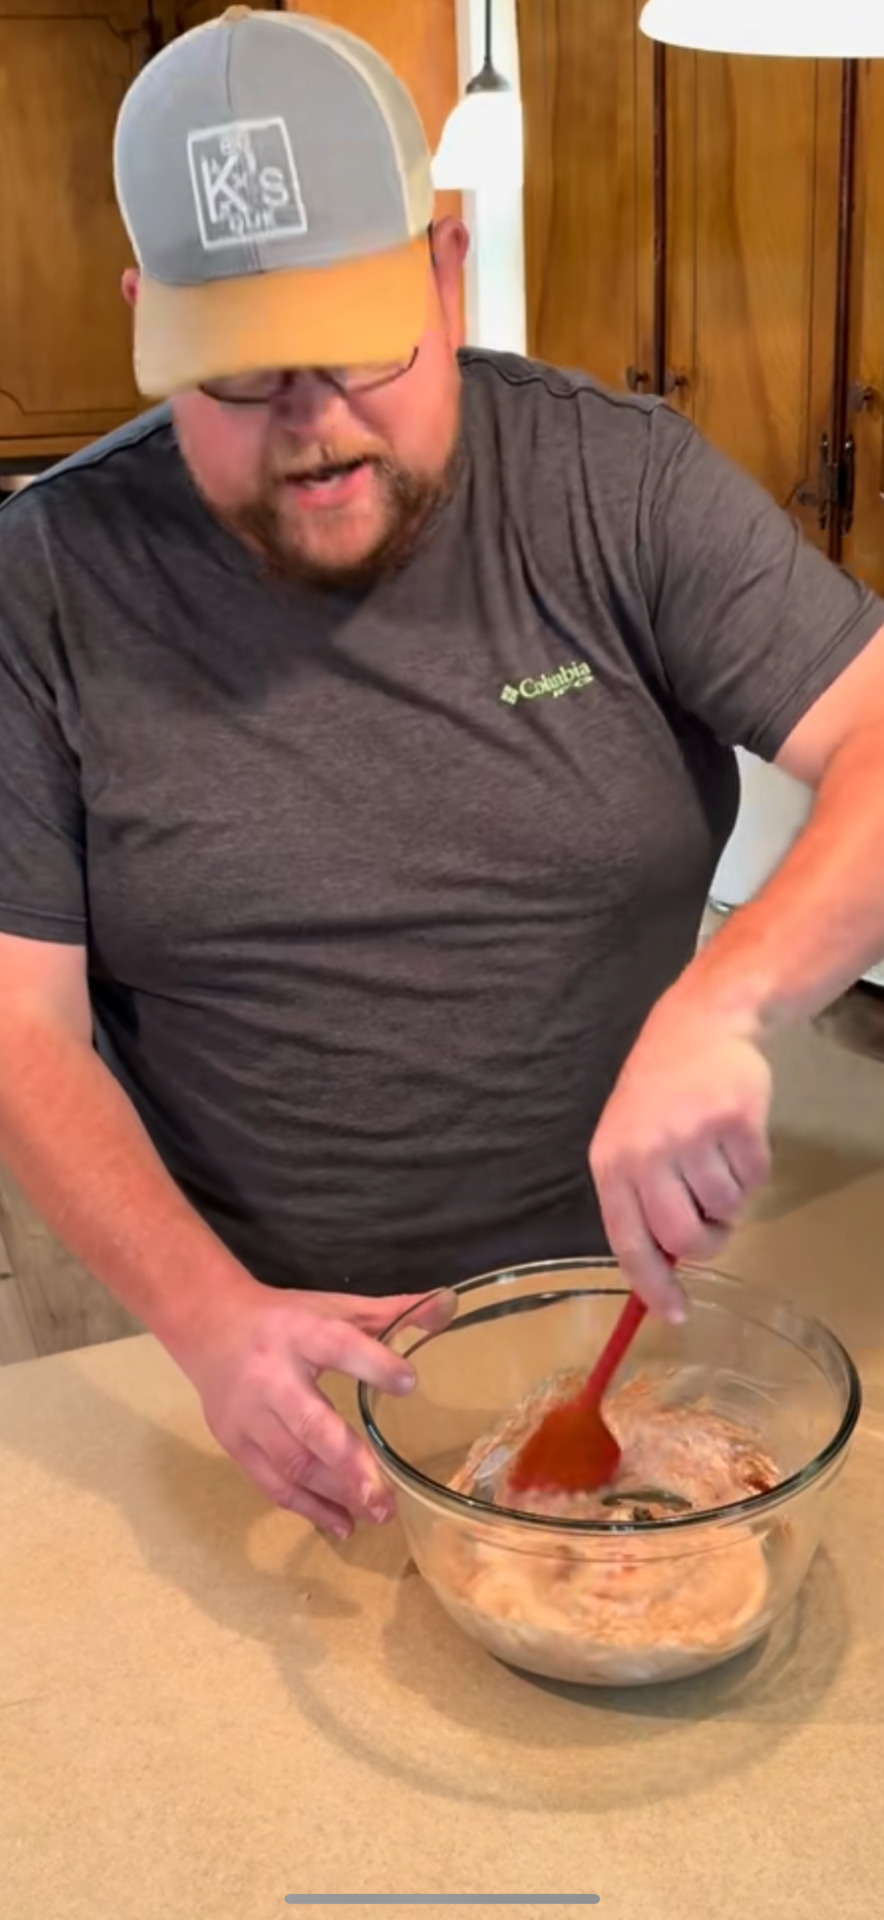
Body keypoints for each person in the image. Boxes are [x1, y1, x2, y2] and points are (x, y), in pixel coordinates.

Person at [1, 7, 884, 1542]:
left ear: (446, 264)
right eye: (237, 376)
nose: (311, 424)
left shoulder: (619, 489)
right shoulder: (44, 582)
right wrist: (213, 1324)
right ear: (148, 318)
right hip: (205, 1323)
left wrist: (728, 996)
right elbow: (22, 1026)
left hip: (604, 1318)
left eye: (356, 346)